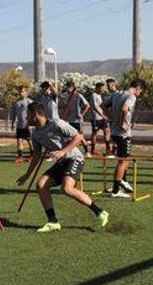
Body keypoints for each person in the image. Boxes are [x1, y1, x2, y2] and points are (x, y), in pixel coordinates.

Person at [16, 101, 109, 233]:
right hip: (61, 162)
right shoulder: (35, 133)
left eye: (28, 116)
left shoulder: (57, 123)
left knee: (67, 188)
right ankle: (53, 222)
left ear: (35, 114)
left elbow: (78, 137)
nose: (26, 119)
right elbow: (36, 156)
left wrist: (62, 151)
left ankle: (100, 212)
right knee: (41, 185)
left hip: (74, 158)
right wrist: (26, 176)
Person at [104, 79, 147, 198]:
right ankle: (116, 190)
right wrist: (123, 122)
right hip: (123, 133)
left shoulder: (117, 94)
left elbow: (102, 105)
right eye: (140, 92)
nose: (139, 94)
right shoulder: (132, 96)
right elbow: (124, 108)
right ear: (138, 88)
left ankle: (122, 180)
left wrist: (110, 117)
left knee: (125, 160)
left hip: (114, 132)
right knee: (122, 161)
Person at [60, 81, 91, 155]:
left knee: (80, 136)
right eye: (67, 87)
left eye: (69, 87)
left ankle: (87, 151)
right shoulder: (66, 96)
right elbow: (63, 106)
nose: (68, 89)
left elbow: (87, 105)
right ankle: (71, 151)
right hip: (69, 120)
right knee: (70, 137)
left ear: (72, 87)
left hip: (77, 120)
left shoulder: (78, 96)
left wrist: (82, 114)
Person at [88, 82, 111, 157]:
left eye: (103, 88)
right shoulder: (93, 95)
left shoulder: (100, 95)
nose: (103, 90)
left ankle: (108, 148)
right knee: (95, 133)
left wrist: (106, 115)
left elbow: (103, 106)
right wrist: (102, 115)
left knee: (107, 131)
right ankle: (93, 149)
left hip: (103, 117)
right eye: (101, 88)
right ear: (97, 88)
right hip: (96, 118)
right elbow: (95, 107)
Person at [12, 86, 33, 163]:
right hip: (19, 125)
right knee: (19, 141)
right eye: (20, 92)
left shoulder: (29, 102)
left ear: (26, 92)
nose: (20, 93)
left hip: (27, 125)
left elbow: (33, 113)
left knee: (30, 141)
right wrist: (12, 123)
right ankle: (20, 157)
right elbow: (14, 114)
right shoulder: (16, 102)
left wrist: (29, 124)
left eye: (22, 91)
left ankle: (32, 156)